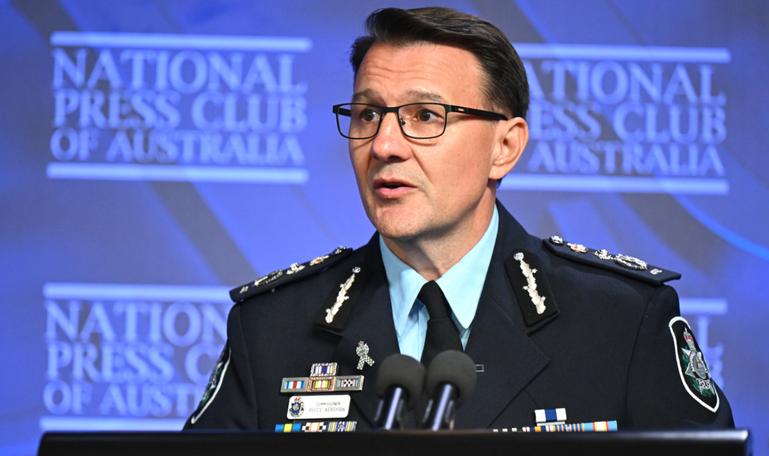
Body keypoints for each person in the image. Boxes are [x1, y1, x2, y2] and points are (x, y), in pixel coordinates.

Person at [184, 6, 734, 431]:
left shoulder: (622, 321)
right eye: (368, 114)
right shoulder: (272, 327)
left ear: (505, 146)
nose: (385, 145)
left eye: (426, 116)